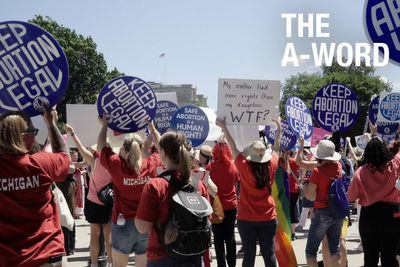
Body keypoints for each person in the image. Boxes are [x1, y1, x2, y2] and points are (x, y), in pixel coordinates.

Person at [0, 106, 71, 267]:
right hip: (47, 253)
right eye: (33, 131)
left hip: (9, 259)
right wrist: (51, 123)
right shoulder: (40, 163)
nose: (35, 135)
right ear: (23, 136)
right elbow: (64, 157)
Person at [135, 130, 209, 267]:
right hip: (193, 256)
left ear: (162, 153)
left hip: (161, 257)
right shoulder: (199, 185)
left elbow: (142, 227)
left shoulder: (155, 185)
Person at [215, 116, 282, 267]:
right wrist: (278, 129)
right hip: (268, 217)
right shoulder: (272, 164)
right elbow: (277, 148)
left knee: (249, 256)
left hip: (246, 218)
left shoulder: (244, 165)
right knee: (269, 253)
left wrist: (224, 127)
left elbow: (232, 147)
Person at [97, 117, 161, 267]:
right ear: (141, 148)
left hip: (122, 224)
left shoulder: (116, 164)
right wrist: (151, 128)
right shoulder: (149, 165)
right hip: (145, 223)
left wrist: (105, 125)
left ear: (124, 149)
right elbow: (160, 147)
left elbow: (101, 148)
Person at [348, 128, 400, 267]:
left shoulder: (361, 171)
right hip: (392, 215)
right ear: (385, 150)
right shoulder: (396, 165)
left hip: (369, 215)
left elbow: (351, 196)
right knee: (389, 258)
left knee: (370, 258)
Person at [65, 124, 113, 267]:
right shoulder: (113, 162)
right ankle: (111, 262)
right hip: (109, 202)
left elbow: (80, 147)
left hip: (92, 202)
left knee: (94, 235)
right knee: (108, 235)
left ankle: (93, 263)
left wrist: (73, 133)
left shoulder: (94, 161)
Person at [300, 138, 343, 267]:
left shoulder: (317, 172)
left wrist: (306, 185)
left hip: (322, 211)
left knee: (311, 252)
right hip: (337, 211)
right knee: (334, 249)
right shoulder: (338, 166)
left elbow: (309, 195)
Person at [210, 140, 240, 267]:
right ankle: (232, 264)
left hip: (217, 207)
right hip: (231, 205)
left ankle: (221, 264)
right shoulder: (233, 166)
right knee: (230, 237)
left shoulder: (211, 167)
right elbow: (236, 182)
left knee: (218, 238)